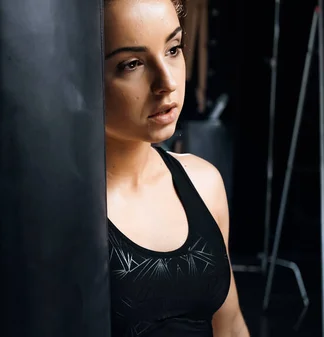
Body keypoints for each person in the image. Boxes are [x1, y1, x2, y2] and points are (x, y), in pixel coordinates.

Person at [103, 0, 250, 336]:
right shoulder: (63, 210)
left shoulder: (203, 182)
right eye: (132, 64)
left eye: (172, 49)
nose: (166, 82)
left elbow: (230, 326)